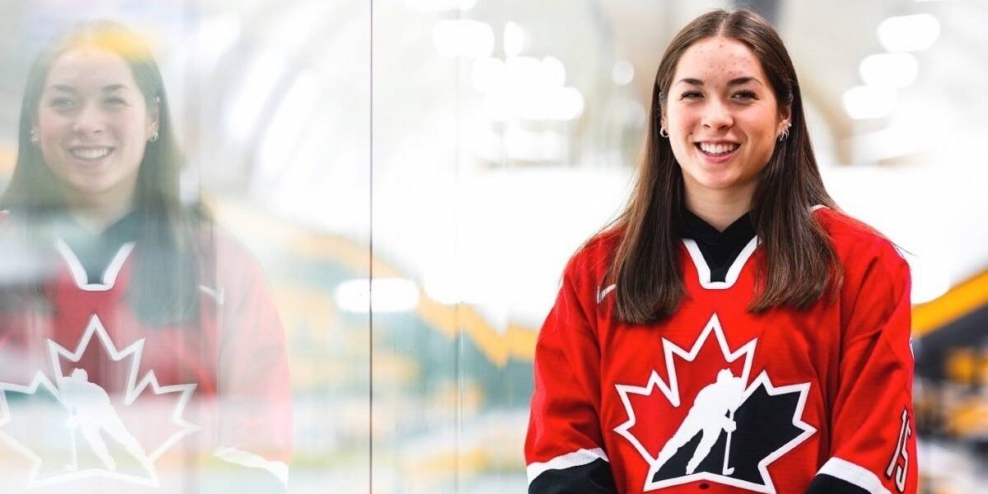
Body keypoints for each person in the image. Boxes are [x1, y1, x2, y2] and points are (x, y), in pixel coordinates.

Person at [525, 9, 916, 494]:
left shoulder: (863, 265)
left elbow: (871, 459)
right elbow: (562, 451)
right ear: (663, 115)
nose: (716, 117)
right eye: (693, 94)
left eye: (743, 95)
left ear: (784, 114)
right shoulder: (597, 272)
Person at [0, 21, 292, 493]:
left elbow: (261, 449)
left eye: (113, 99)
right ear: (33, 121)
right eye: (64, 102)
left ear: (153, 118)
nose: (88, 122)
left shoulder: (221, 267)